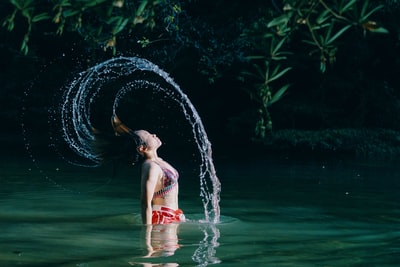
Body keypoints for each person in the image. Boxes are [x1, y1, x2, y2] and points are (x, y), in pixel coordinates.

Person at [110, 115, 185, 225]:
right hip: (162, 219)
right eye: (148, 135)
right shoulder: (150, 166)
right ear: (142, 148)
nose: (153, 135)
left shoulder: (160, 161)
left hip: (173, 216)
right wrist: (146, 236)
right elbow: (145, 203)